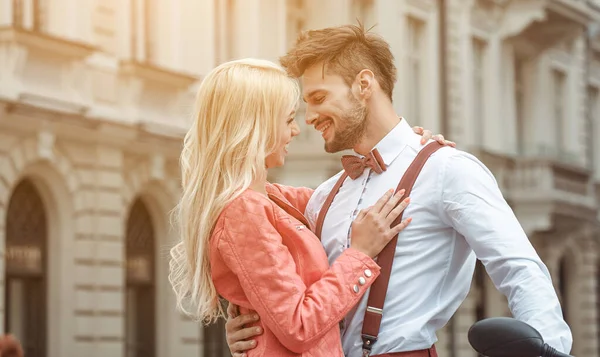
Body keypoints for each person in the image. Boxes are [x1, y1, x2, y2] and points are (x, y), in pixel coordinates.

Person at [225, 24, 572, 357]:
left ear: (364, 84)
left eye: (318, 98)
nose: (309, 117)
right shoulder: (324, 196)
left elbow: (518, 267)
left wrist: (548, 350)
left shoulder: (448, 170)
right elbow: (291, 288)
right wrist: (249, 328)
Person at [168, 58, 449, 356]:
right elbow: (299, 326)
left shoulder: (274, 199)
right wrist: (360, 254)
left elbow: (355, 193)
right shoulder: (244, 212)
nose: (296, 130)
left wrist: (407, 149)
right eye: (288, 119)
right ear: (258, 127)